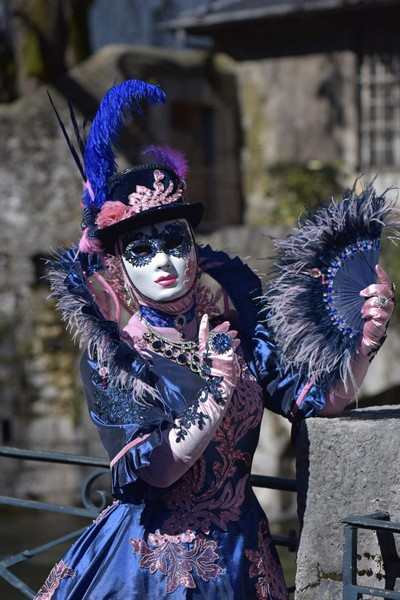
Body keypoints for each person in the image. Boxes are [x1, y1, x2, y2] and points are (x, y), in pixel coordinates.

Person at [36, 80, 395, 600]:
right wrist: (214, 397)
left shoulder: (236, 319)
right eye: (141, 249)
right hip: (151, 569)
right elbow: (152, 471)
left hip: (244, 558)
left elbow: (309, 401)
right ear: (116, 264)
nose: (162, 261)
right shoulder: (115, 354)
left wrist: (363, 341)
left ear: (194, 245)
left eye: (173, 240)